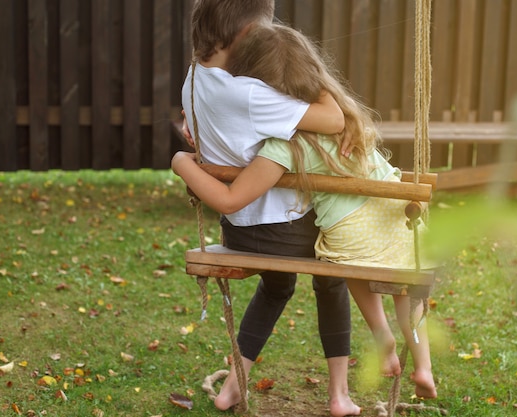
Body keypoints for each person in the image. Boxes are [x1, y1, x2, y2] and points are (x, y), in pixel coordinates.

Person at [172, 23, 437, 400]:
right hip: (390, 215)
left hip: (289, 231)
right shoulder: (348, 125)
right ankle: (375, 382)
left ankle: (239, 383)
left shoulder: (281, 141)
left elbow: (233, 191)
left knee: (318, 275)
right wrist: (319, 80)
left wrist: (184, 156)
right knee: (372, 283)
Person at [180, 1, 360, 416]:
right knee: (333, 274)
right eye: (267, 30)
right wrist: (302, 60)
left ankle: (232, 387)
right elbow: (333, 118)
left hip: (239, 228)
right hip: (282, 228)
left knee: (278, 284)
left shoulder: (193, 81)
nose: (270, 38)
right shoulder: (247, 94)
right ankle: (339, 396)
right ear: (245, 34)